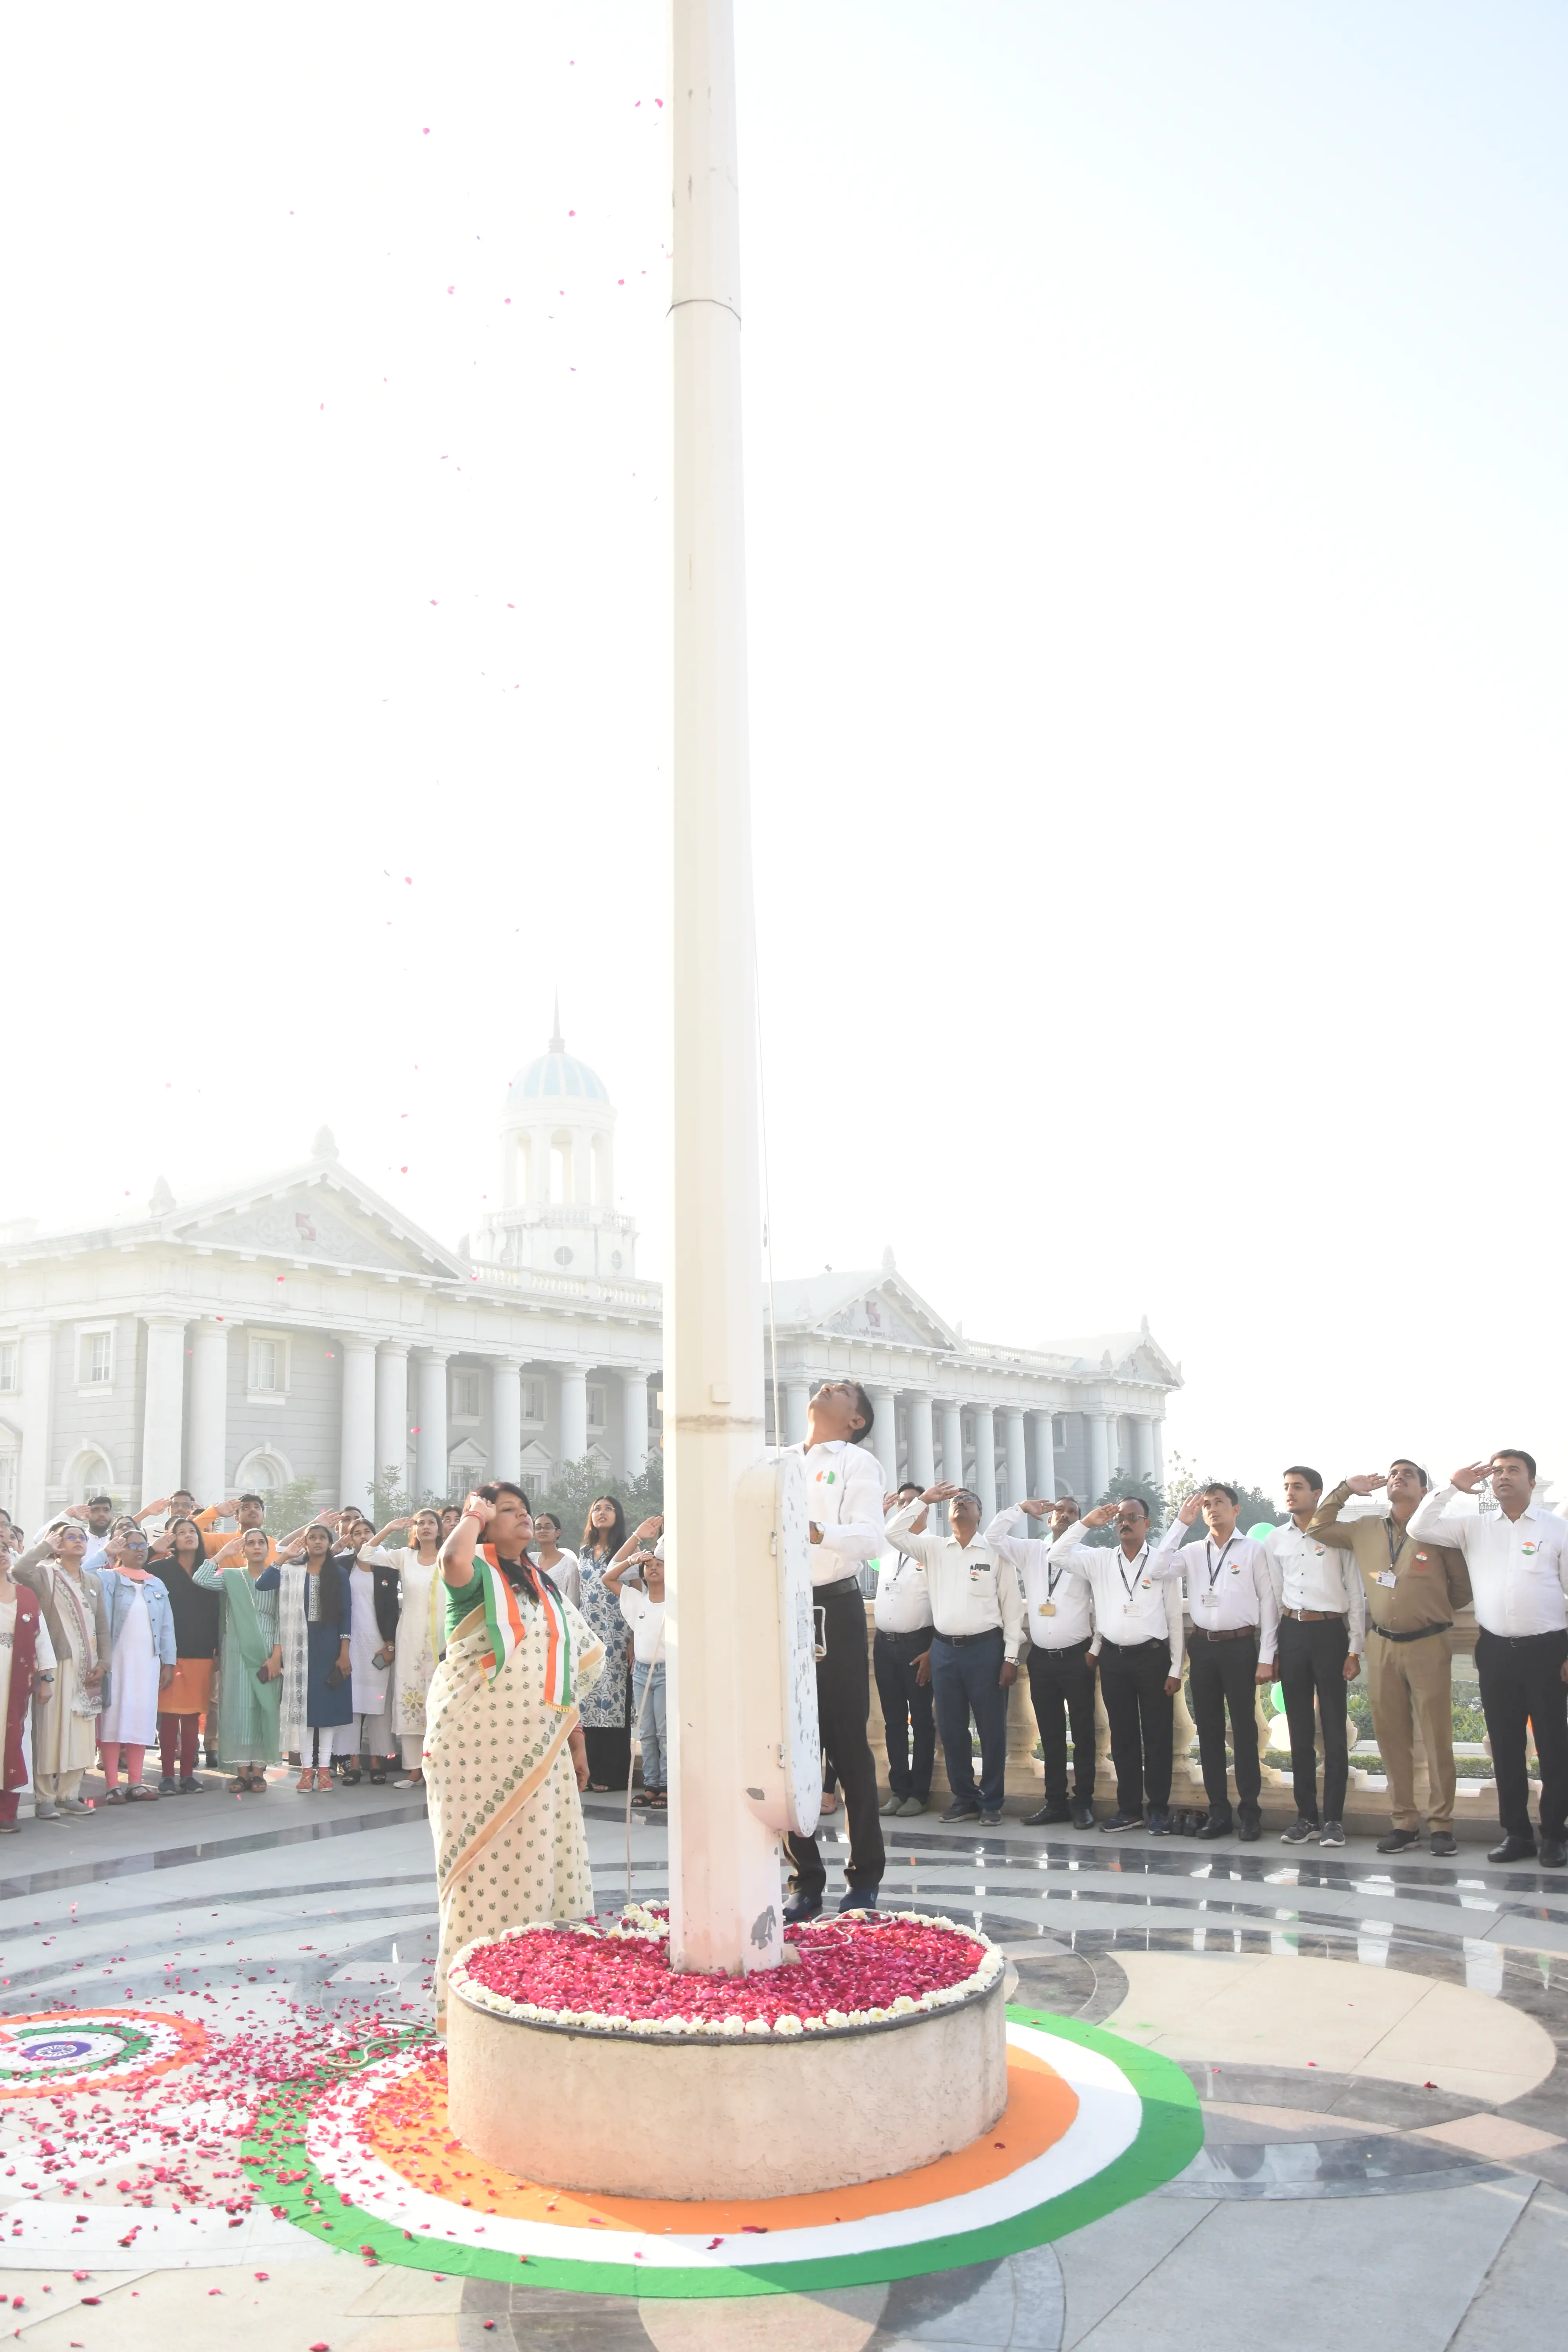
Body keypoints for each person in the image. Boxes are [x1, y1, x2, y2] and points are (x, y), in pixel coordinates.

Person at [427, 1484, 603, 2026]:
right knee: (484, 1865)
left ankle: (540, 1986)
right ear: (482, 1522)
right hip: (476, 1745)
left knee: (541, 1855)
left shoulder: (541, 1584)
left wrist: (575, 1739)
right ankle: (477, 1999)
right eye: (507, 1510)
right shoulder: (478, 1573)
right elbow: (452, 1558)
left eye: (523, 1508)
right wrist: (474, 1515)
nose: (522, 1515)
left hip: (542, 1744)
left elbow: (567, 1666)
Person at [1408, 1452, 1568, 1867]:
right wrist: (1451, 1486)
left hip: (1548, 1652)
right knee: (1506, 1747)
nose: (1502, 1477)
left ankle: (1554, 1834)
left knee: (1554, 1748)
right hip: (1496, 1651)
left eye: (1512, 1470)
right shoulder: (1472, 1527)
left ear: (1532, 1481)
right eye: (1496, 1471)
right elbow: (1419, 1527)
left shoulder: (1557, 1530)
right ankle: (1516, 1834)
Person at [1308, 1462, 1472, 1856]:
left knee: (1436, 1739)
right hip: (1381, 1645)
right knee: (1391, 1738)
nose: (1397, 1477)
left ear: (1424, 1489)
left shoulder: (1438, 1532)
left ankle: (1442, 1824)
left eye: (1407, 1474)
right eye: (1393, 1473)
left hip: (1428, 1644)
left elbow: (1462, 1590)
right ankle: (1403, 1822)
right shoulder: (1364, 1528)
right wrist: (1347, 1488)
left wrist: (1426, 1610)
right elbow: (1318, 1526)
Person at [782, 1380, 889, 1917]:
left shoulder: (854, 1462)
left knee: (846, 1745)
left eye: (845, 1390)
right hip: (777, 1610)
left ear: (856, 1420)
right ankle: (805, 1879)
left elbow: (872, 1539)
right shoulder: (776, 1461)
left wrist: (817, 1533)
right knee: (786, 1746)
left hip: (831, 1609)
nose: (830, 1386)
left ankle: (864, 1876)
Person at [883, 1483, 1024, 1828]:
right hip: (944, 1650)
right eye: (956, 1501)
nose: (961, 1504)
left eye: (969, 1501)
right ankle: (965, 1798)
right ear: (947, 1515)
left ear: (980, 1514)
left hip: (986, 1650)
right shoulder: (933, 1548)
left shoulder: (995, 1552)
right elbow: (892, 1532)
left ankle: (991, 1801)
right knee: (952, 1729)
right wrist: (923, 1500)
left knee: (991, 1731)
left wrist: (1011, 1658)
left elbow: (1013, 1609)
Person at [1148, 1484, 1276, 1841]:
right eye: (1206, 1505)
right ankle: (1219, 1813)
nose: (1212, 1509)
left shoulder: (1254, 1550)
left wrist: (1267, 1656)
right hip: (1203, 1648)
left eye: (1219, 1503)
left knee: (1245, 1731)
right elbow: (1157, 1569)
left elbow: (1269, 1603)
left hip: (1240, 1647)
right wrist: (1180, 1523)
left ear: (1236, 1510)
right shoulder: (1191, 1551)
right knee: (1209, 1733)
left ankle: (1250, 1813)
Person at [1050, 1497, 1183, 1833]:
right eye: (1120, 1518)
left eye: (1133, 1517)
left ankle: (1158, 1809)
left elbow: (1174, 1619)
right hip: (1114, 1660)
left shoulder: (1163, 1563)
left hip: (1153, 1658)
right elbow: (1057, 1555)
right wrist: (1086, 1523)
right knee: (1122, 1737)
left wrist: (1175, 1667)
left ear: (1147, 1524)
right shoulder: (1100, 1560)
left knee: (1157, 1736)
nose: (1125, 1523)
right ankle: (1129, 1809)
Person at [1265, 1466, 1367, 1848]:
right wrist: (1273, 1649)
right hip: (1292, 1632)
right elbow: (1274, 1599)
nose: (1290, 1494)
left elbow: (1355, 1596)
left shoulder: (1338, 1536)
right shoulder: (1275, 1540)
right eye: (1286, 1487)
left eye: (1298, 1488)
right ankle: (1305, 1817)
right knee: (1299, 1731)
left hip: (1329, 1633)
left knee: (1334, 1728)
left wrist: (1354, 1648)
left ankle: (1334, 1821)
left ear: (1317, 1493)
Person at [987, 1493, 1098, 1828]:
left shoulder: (1090, 1557)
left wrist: (1098, 1648)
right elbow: (993, 1537)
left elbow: (1104, 1604)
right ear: (1048, 1519)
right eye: (1059, 1511)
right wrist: (1019, 1509)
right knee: (1050, 1735)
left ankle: (1083, 1803)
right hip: (1042, 1660)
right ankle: (1055, 1803)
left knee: (1083, 1734)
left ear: (1080, 1521)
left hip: (1078, 1658)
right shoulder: (1032, 1551)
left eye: (1072, 1512)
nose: (1064, 1515)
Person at [15, 1523, 110, 1817]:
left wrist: (104, 1664)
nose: (79, 1541)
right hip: (56, 1664)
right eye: (71, 1537)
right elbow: (19, 1572)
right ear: (58, 1543)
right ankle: (45, 1798)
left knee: (80, 1731)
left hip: (88, 1666)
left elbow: (104, 1629)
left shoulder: (93, 1582)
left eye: (82, 1538)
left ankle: (70, 1793)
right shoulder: (46, 1574)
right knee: (49, 1729)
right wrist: (46, 1546)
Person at [194, 1528, 283, 1788]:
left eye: (261, 1543)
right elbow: (201, 1578)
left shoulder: (277, 1578)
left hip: (267, 1651)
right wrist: (223, 1554)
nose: (256, 1547)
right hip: (236, 1650)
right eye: (251, 1543)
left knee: (263, 1709)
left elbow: (282, 1619)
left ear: (268, 1549)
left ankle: (259, 1771)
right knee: (240, 1710)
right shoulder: (232, 1577)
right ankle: (241, 1772)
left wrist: (278, 1656)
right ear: (242, 1550)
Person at [94, 1528, 178, 1802]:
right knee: (113, 1717)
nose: (140, 1549)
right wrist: (107, 1552)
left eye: (144, 1545)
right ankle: (111, 1785)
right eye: (132, 1545)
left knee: (140, 1718)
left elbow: (167, 1626)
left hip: (148, 1662)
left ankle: (136, 1783)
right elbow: (83, 1570)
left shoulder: (156, 1584)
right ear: (121, 1549)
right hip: (117, 1660)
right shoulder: (108, 1578)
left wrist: (169, 1662)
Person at [275, 1520, 354, 1792]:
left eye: (323, 1538)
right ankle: (306, 1771)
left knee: (328, 1710)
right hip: (301, 1646)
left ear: (330, 1543)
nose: (318, 1542)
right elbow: (264, 1584)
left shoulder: (339, 1573)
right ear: (305, 1543)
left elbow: (346, 1614)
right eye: (313, 1538)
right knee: (307, 1712)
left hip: (330, 1646)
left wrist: (344, 1652)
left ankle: (324, 1771)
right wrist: (286, 1555)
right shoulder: (293, 1571)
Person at [873, 1483, 935, 1818]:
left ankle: (919, 1794)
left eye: (913, 1503)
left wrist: (933, 1651)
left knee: (923, 1722)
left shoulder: (933, 1549)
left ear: (926, 1509)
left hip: (918, 1646)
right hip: (885, 1645)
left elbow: (943, 1605)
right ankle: (899, 1790)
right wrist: (878, 1514)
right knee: (893, 1722)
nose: (905, 1508)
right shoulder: (888, 1549)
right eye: (901, 1503)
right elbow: (864, 1543)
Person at [148, 1515, 221, 1793]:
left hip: (202, 1651)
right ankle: (167, 1776)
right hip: (169, 1651)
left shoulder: (210, 1568)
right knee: (168, 1714)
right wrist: (156, 1547)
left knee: (192, 1715)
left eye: (193, 1531)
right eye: (181, 1532)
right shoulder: (161, 1568)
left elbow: (217, 1614)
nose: (189, 1535)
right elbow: (135, 1568)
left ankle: (188, 1775)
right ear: (172, 1539)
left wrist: (217, 1650)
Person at [375, 1508, 445, 1788]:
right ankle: (414, 1770)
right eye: (420, 1523)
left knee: (439, 1701)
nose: (426, 1527)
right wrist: (389, 1529)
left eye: (431, 1523)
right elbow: (366, 1555)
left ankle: (440, 1767)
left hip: (441, 1637)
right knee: (410, 1700)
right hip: (410, 1637)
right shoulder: (405, 1557)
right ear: (413, 1530)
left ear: (440, 1529)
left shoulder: (448, 1557)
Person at [336, 1514, 401, 1783]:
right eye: (358, 1533)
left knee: (378, 1704)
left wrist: (391, 1645)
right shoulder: (342, 1566)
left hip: (379, 1644)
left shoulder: (388, 1567)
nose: (363, 1537)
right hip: (350, 1642)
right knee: (351, 1704)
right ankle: (351, 1762)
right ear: (350, 1539)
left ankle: (376, 1760)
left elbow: (396, 1609)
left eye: (367, 1532)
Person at [575, 1496, 633, 1790]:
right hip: (589, 1635)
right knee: (589, 1701)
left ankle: (613, 1774)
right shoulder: (584, 1552)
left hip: (618, 1632)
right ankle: (592, 1771)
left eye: (609, 1508)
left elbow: (638, 1594)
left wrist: (635, 1637)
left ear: (618, 1515)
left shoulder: (626, 1551)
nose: (602, 1513)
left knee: (613, 1702)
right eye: (596, 1508)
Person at [606, 1533, 666, 1809]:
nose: (653, 1567)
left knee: (665, 1731)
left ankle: (667, 1785)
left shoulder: (677, 1602)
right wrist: (631, 1558)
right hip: (642, 1673)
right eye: (648, 1564)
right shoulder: (637, 1600)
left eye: (660, 1563)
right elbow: (608, 1578)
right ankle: (652, 1785)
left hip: (668, 1672)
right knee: (646, 1731)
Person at [0, 1539, 54, 1834]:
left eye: (3, 1550)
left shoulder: (26, 1597)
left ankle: (6, 1812)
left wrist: (46, 1679)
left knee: (14, 1740)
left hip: (16, 1679)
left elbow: (41, 1639)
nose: (1, 1555)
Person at [532, 1514, 581, 1607]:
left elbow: (572, 1603)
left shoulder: (569, 1564)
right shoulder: (531, 1560)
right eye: (538, 1528)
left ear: (558, 1533)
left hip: (559, 1618)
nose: (542, 1531)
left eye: (548, 1527)